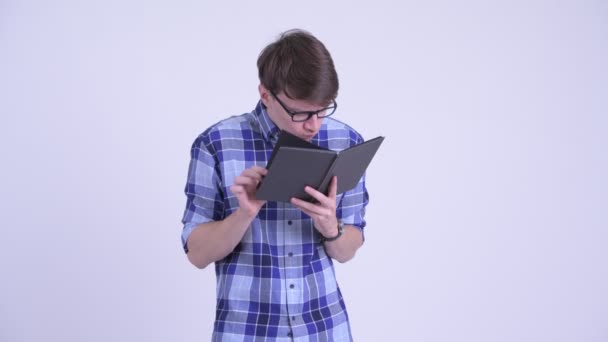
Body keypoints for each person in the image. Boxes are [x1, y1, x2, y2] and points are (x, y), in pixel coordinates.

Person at [181, 29, 370, 341]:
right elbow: (197, 254)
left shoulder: (344, 142)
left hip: (324, 330)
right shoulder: (216, 144)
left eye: (324, 109)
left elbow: (348, 249)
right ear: (265, 94)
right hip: (246, 331)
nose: (314, 124)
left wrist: (330, 226)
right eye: (301, 112)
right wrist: (244, 213)